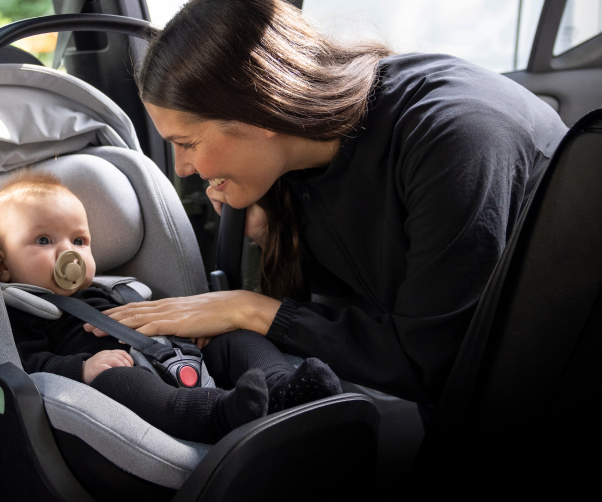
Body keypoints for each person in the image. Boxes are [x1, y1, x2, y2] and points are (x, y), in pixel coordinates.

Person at [91, 0, 568, 406]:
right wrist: (272, 232)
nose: (182, 168)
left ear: (260, 110)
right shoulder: (298, 157)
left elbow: (432, 364)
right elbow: (368, 283)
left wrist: (252, 310)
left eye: (188, 142)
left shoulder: (455, 137)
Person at [0, 168, 342, 443]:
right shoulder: (23, 310)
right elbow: (26, 364)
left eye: (80, 240)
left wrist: (187, 336)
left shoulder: (115, 289)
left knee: (238, 339)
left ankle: (281, 389)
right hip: (122, 376)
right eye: (44, 240)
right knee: (119, 382)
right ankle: (217, 414)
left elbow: (157, 316)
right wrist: (82, 369)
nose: (69, 252)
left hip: (176, 354)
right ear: (4, 265)